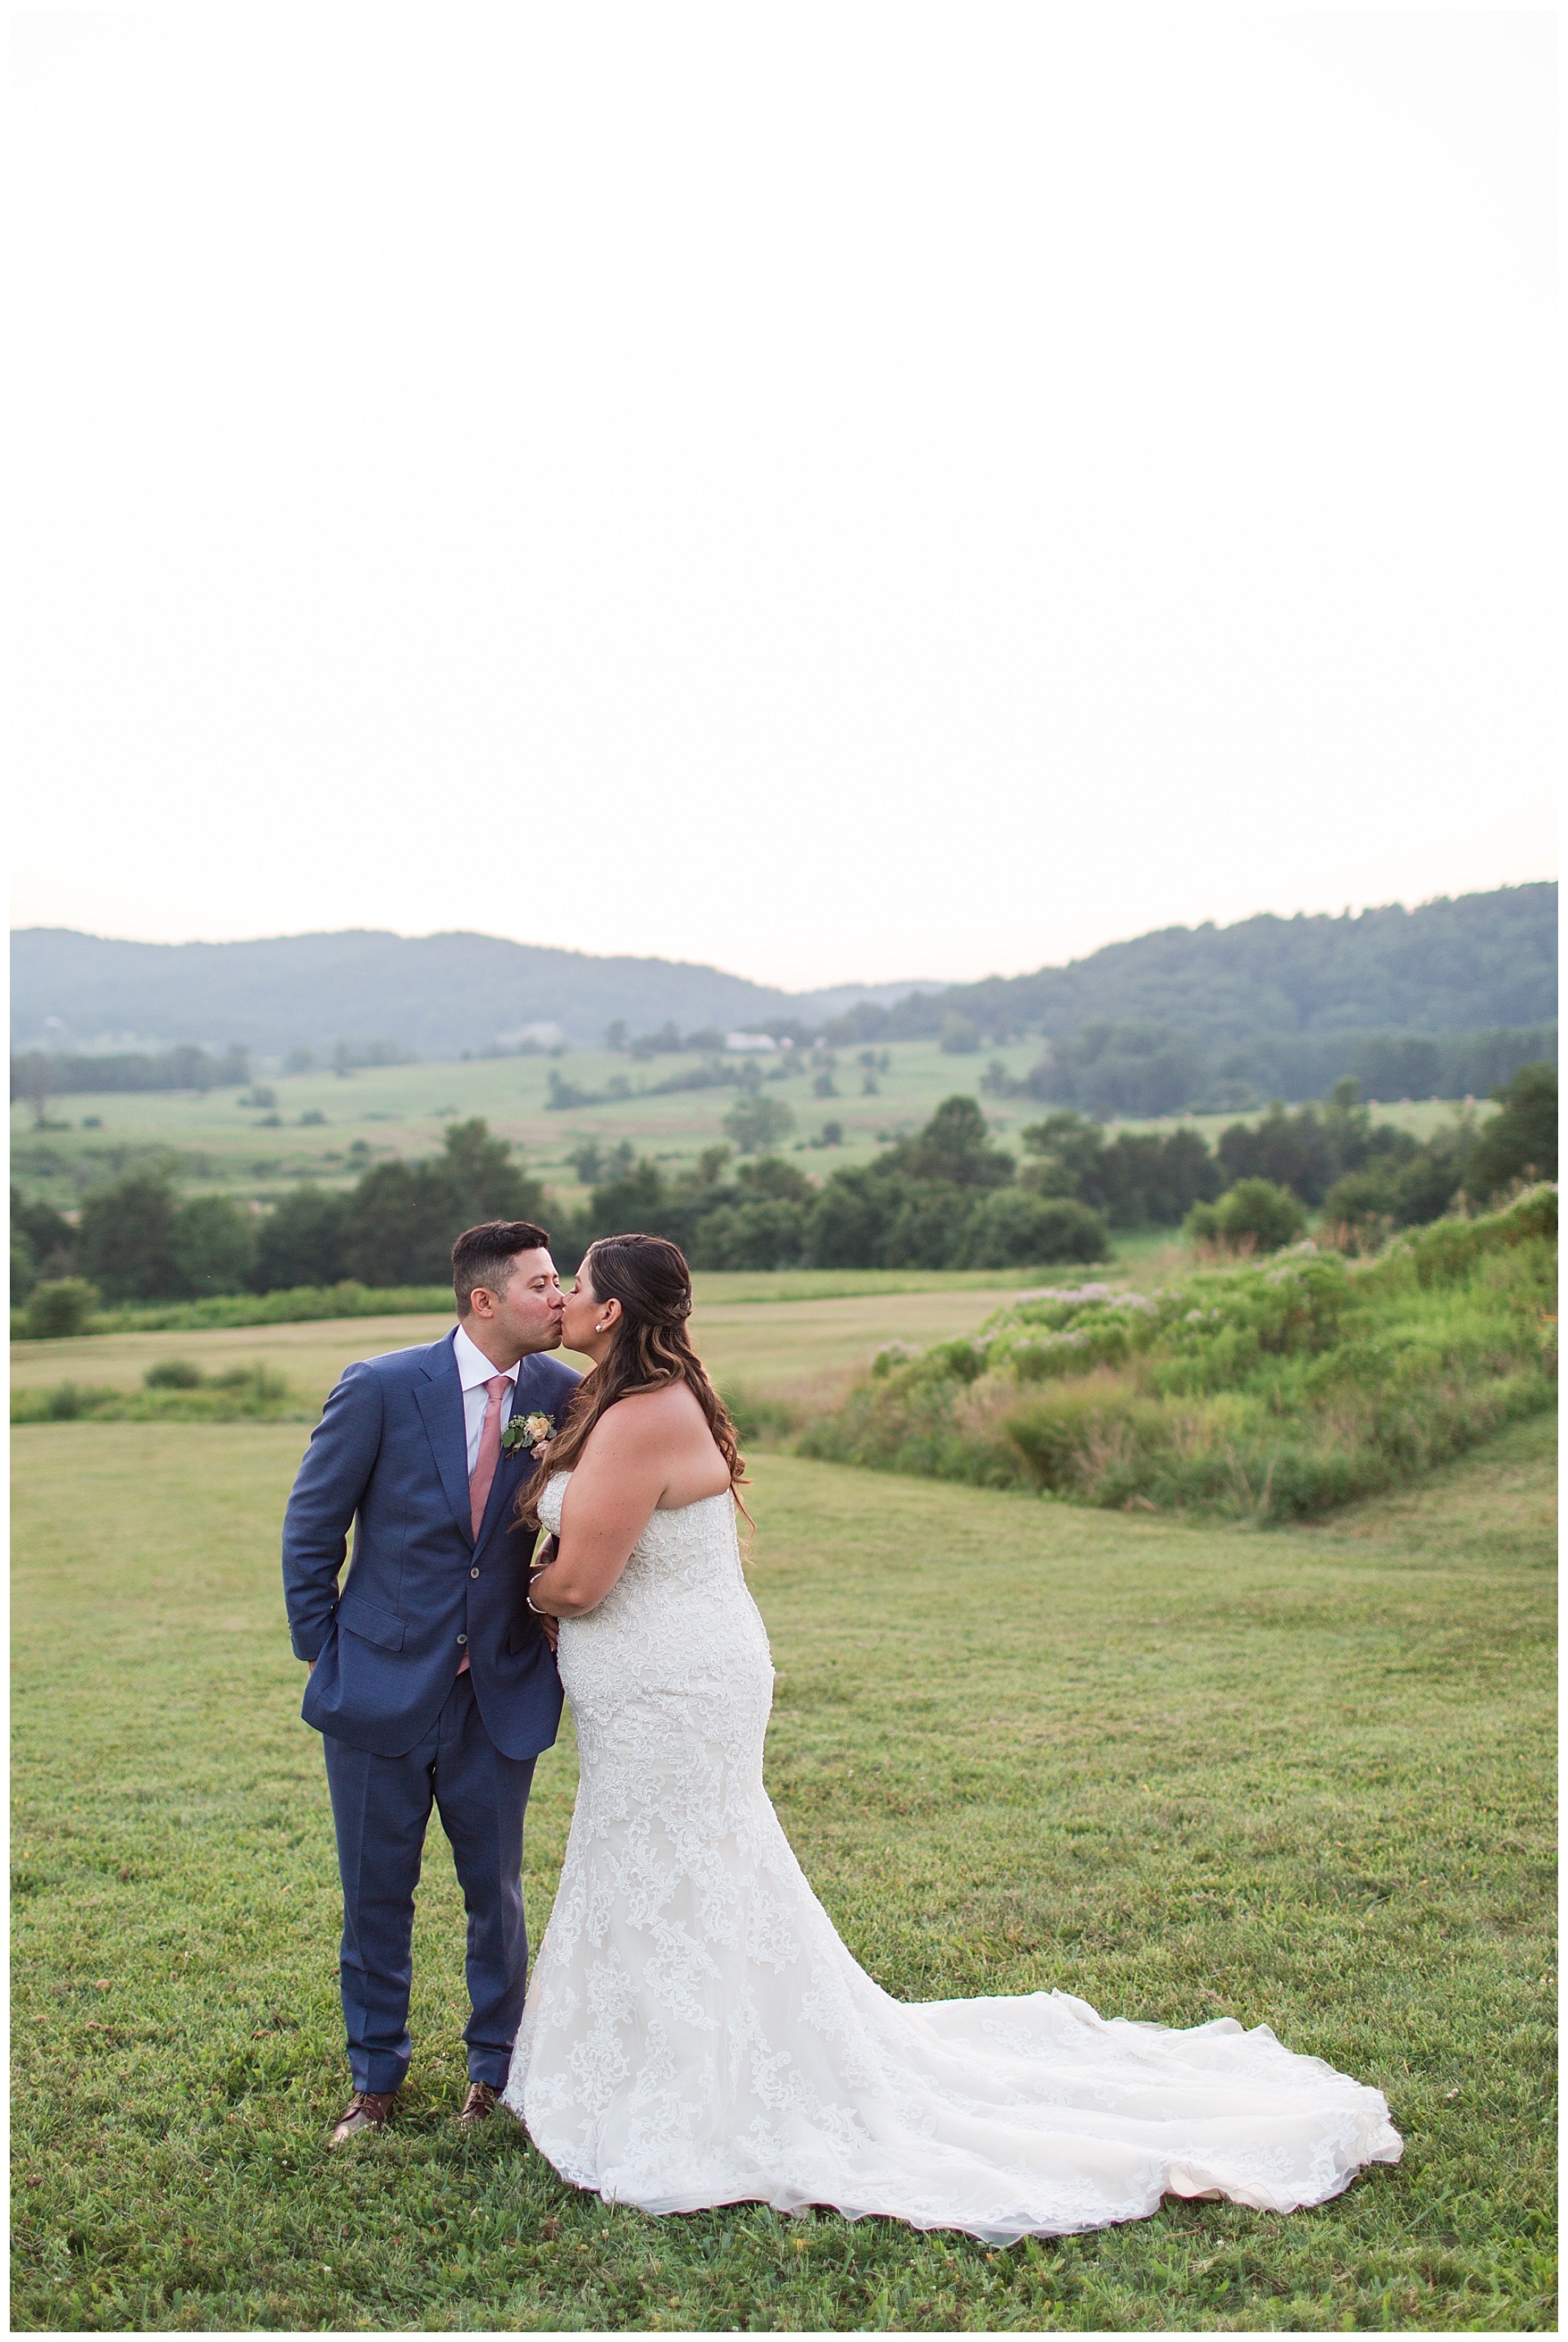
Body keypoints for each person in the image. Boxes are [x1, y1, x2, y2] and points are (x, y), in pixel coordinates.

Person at [504, 1231, 1402, 2241]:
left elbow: (582, 1582)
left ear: (613, 1311)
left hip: (668, 1687)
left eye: (575, 1286)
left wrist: (513, 1593)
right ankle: (667, 2056)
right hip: (673, 1680)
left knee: (671, 1857)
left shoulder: (634, 1419)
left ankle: (693, 2084)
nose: (564, 1302)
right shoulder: (653, 1401)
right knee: (681, 1859)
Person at [281, 1219, 580, 2147]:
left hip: (499, 1688)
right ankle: (375, 2081)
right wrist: (328, 1650)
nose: (559, 1294)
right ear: (484, 1299)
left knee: (496, 1889)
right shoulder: (379, 1386)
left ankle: (495, 2069)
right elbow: (311, 1527)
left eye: (560, 1278)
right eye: (540, 1283)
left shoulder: (567, 1395)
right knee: (376, 1892)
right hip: (377, 1688)